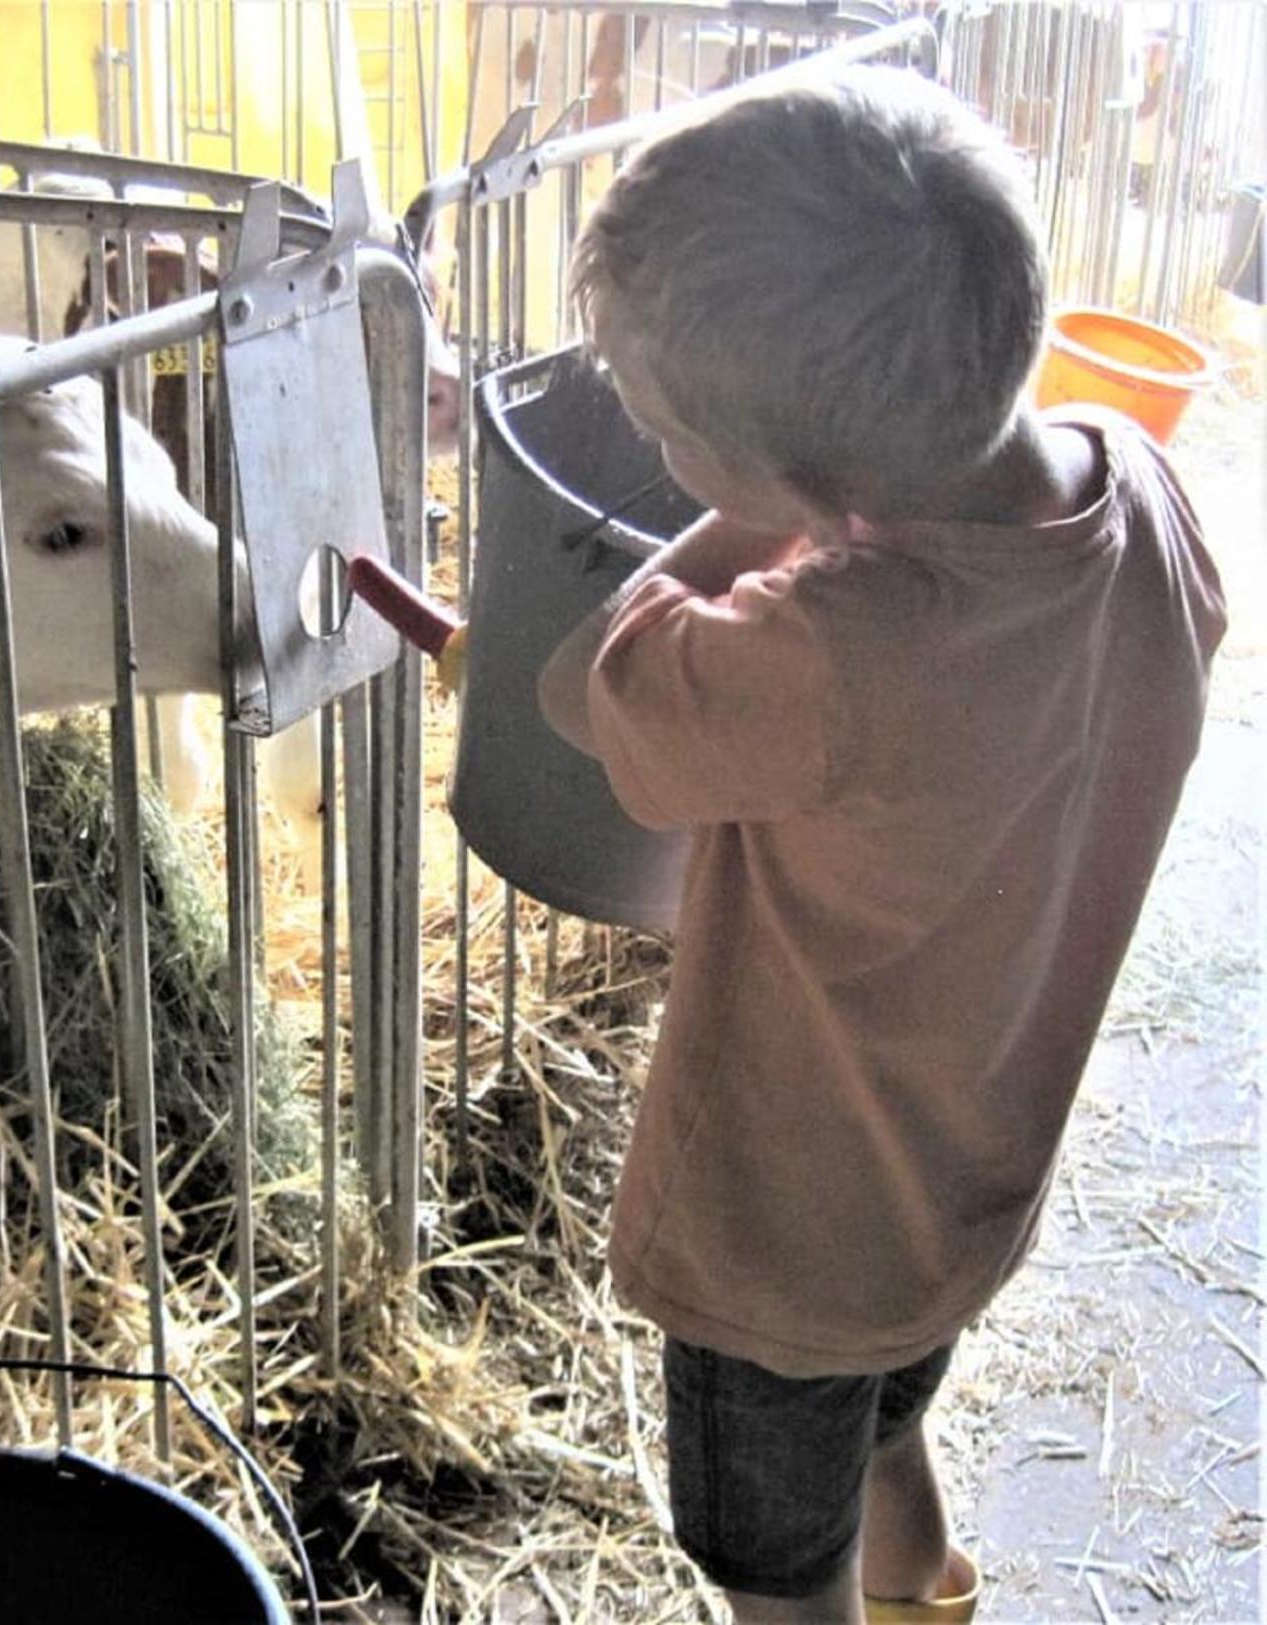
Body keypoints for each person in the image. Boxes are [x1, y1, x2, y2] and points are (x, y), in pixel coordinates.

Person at [535, 65, 1226, 1624]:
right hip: (964, 1180)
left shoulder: (828, 652)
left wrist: (731, 536)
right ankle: (929, 1586)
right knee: (891, 1408)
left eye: (665, 437)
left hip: (783, 1239)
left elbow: (582, 688)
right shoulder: (1148, 490)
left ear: (811, 495)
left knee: (774, 1570)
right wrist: (784, 501)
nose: (657, 461)